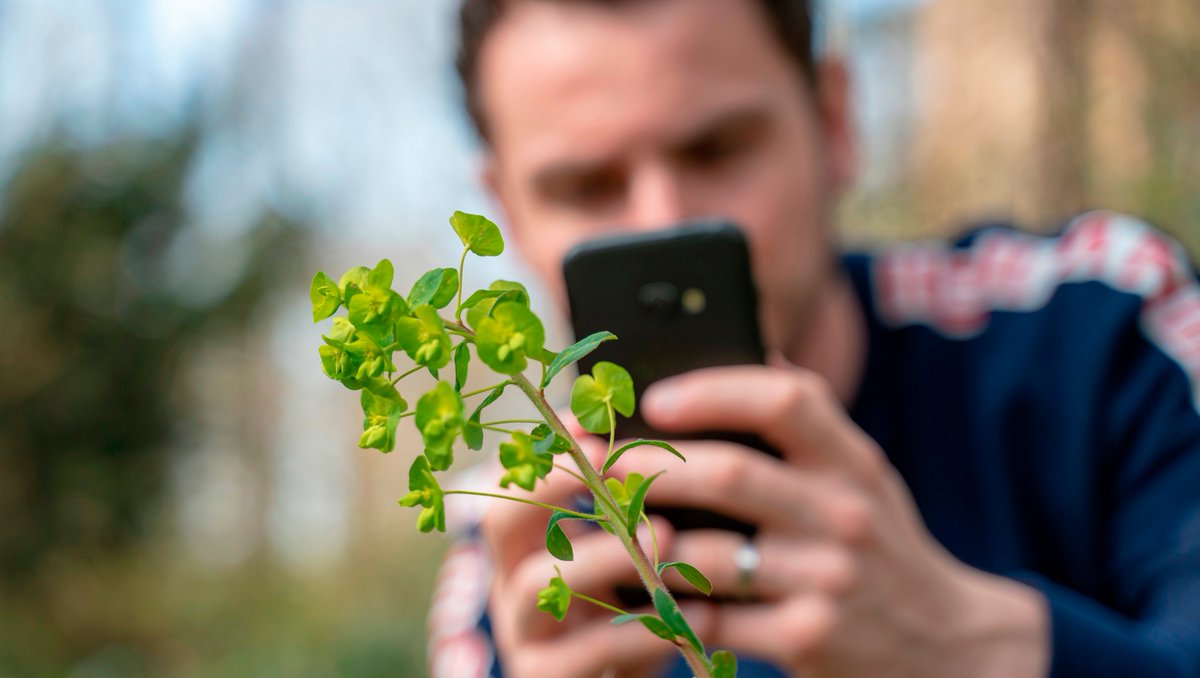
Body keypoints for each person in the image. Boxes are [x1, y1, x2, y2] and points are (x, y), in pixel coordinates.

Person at [427, 0, 1200, 676]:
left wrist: (976, 650)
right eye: (587, 187)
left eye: (718, 149)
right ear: (508, 215)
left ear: (834, 121)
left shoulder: (1099, 331)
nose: (663, 221)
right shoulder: (521, 544)